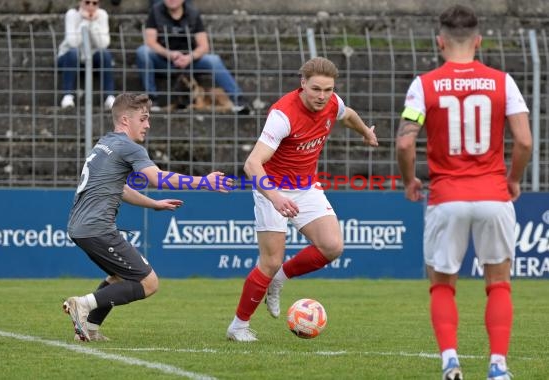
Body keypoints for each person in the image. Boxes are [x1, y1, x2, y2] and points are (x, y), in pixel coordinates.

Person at [395, 5, 532, 380]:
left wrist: (410, 180)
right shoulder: (503, 81)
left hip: (447, 197)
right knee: (498, 282)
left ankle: (451, 362)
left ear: (439, 41)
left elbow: (405, 143)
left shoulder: (424, 84)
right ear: (478, 41)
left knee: (442, 284)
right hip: (493, 194)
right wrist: (513, 179)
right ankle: (498, 366)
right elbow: (523, 140)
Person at [226, 57, 378, 342]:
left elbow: (348, 114)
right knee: (269, 261)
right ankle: (238, 326)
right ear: (302, 84)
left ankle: (278, 281)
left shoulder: (332, 102)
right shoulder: (282, 115)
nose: (322, 97)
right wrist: (274, 197)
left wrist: (366, 132)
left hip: (306, 187)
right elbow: (252, 164)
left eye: (328, 90)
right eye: (316, 89)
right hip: (271, 187)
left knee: (332, 246)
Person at [63, 93, 233, 342]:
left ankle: (89, 329)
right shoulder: (129, 147)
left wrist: (152, 203)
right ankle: (83, 304)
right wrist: (203, 182)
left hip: (80, 227)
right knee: (149, 282)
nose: (147, 125)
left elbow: (120, 188)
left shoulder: (105, 143)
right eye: (143, 119)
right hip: (97, 228)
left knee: (120, 276)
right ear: (124, 119)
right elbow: (157, 178)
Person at [135, 0, 251, 114]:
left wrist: (190, 57)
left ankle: (238, 100)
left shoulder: (193, 12)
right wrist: (170, 54)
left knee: (213, 60)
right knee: (143, 52)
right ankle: (151, 100)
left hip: (190, 61)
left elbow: (204, 46)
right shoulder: (156, 11)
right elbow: (150, 42)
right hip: (164, 60)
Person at [57, 0, 116, 110]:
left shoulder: (102, 15)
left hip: (92, 57)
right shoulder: (72, 14)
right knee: (73, 53)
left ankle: (109, 97)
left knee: (106, 55)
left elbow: (103, 44)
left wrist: (92, 23)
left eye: (95, 3)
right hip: (69, 57)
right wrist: (85, 22)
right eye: (87, 2)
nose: (90, 6)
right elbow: (72, 43)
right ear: (80, 2)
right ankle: (67, 96)